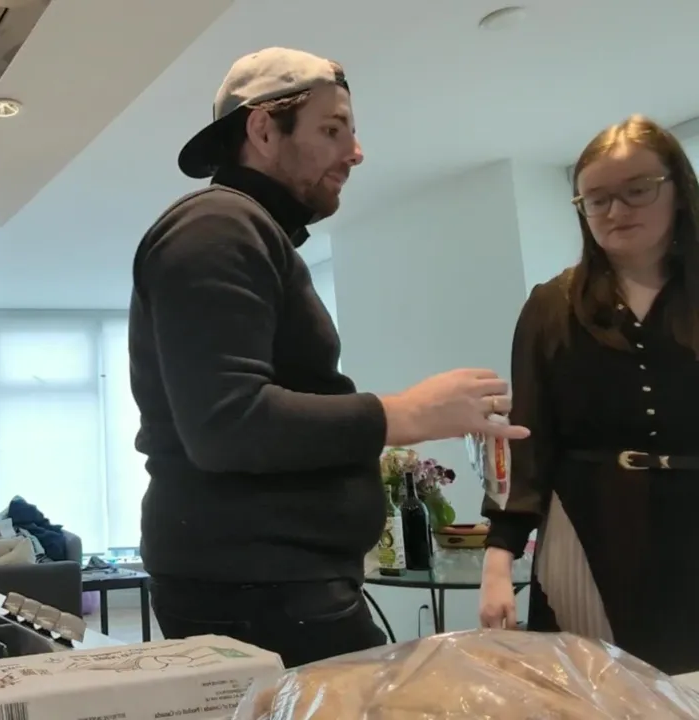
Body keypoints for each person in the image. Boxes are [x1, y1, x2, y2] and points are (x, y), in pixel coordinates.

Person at [128, 47, 528, 668]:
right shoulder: (216, 226)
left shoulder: (244, 231)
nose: (356, 152)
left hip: (271, 588)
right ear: (264, 130)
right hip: (260, 593)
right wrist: (406, 413)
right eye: (333, 129)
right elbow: (227, 424)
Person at [479, 115, 699, 674]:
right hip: (587, 527)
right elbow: (527, 438)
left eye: (637, 190)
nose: (616, 211)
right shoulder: (551, 306)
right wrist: (498, 562)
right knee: (594, 691)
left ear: (678, 189)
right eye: (597, 199)